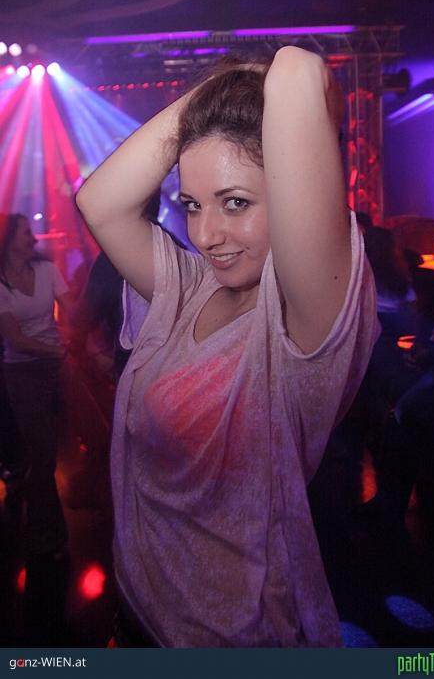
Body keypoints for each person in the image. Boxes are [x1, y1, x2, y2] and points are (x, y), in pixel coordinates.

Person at [77, 47, 378, 648]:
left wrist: (239, 82)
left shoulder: (303, 324)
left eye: (235, 202)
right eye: (192, 205)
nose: (206, 234)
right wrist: (213, 97)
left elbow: (296, 71)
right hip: (137, 616)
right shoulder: (187, 290)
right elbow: (99, 202)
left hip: (227, 639)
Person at [363, 181, 434, 529]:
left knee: (409, 416)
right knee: (407, 420)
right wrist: (424, 345)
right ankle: (410, 506)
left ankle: (407, 508)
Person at [0, 213, 72, 559]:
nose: (33, 238)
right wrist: (59, 350)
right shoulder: (1, 286)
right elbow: (15, 340)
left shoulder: (47, 271)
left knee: (97, 434)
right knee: (43, 457)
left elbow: (74, 311)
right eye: (26, 233)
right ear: (8, 240)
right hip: (23, 373)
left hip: (57, 366)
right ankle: (46, 537)